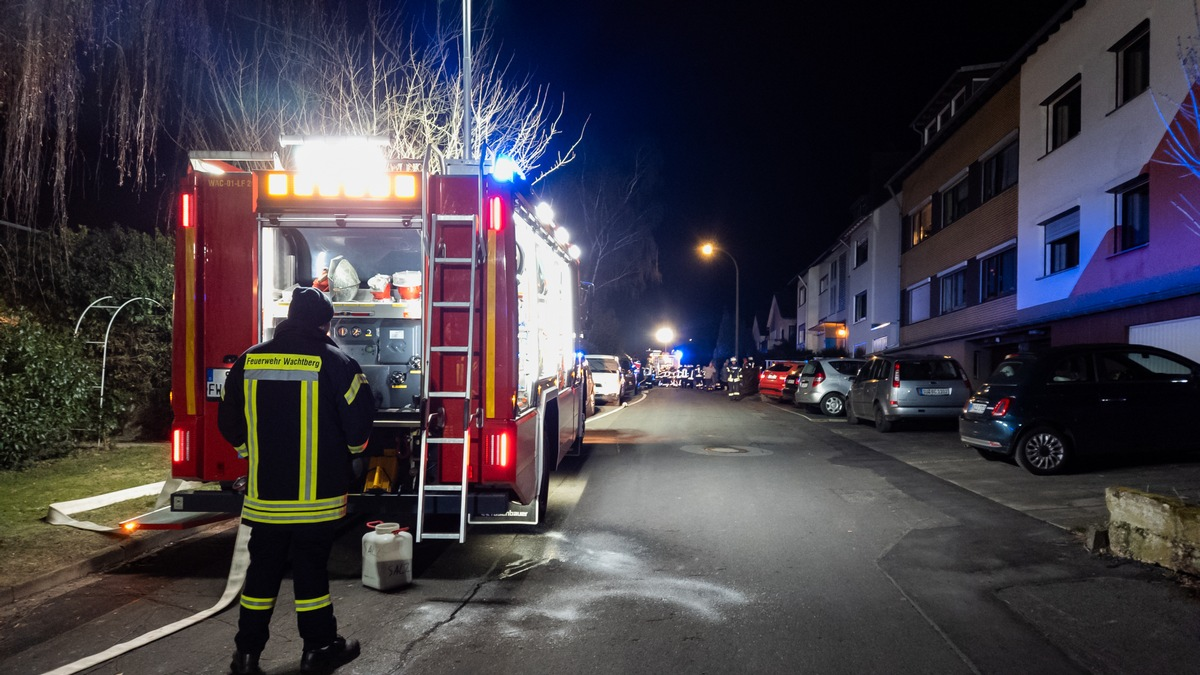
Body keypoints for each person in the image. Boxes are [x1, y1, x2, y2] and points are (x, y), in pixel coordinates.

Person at [218, 286, 374, 675]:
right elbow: (359, 428)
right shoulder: (338, 363)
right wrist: (353, 455)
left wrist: (250, 454)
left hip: (266, 496)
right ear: (326, 323)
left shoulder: (247, 361)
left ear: (289, 318)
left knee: (262, 573)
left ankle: (247, 656)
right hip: (316, 498)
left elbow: (228, 422)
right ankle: (319, 648)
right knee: (311, 573)